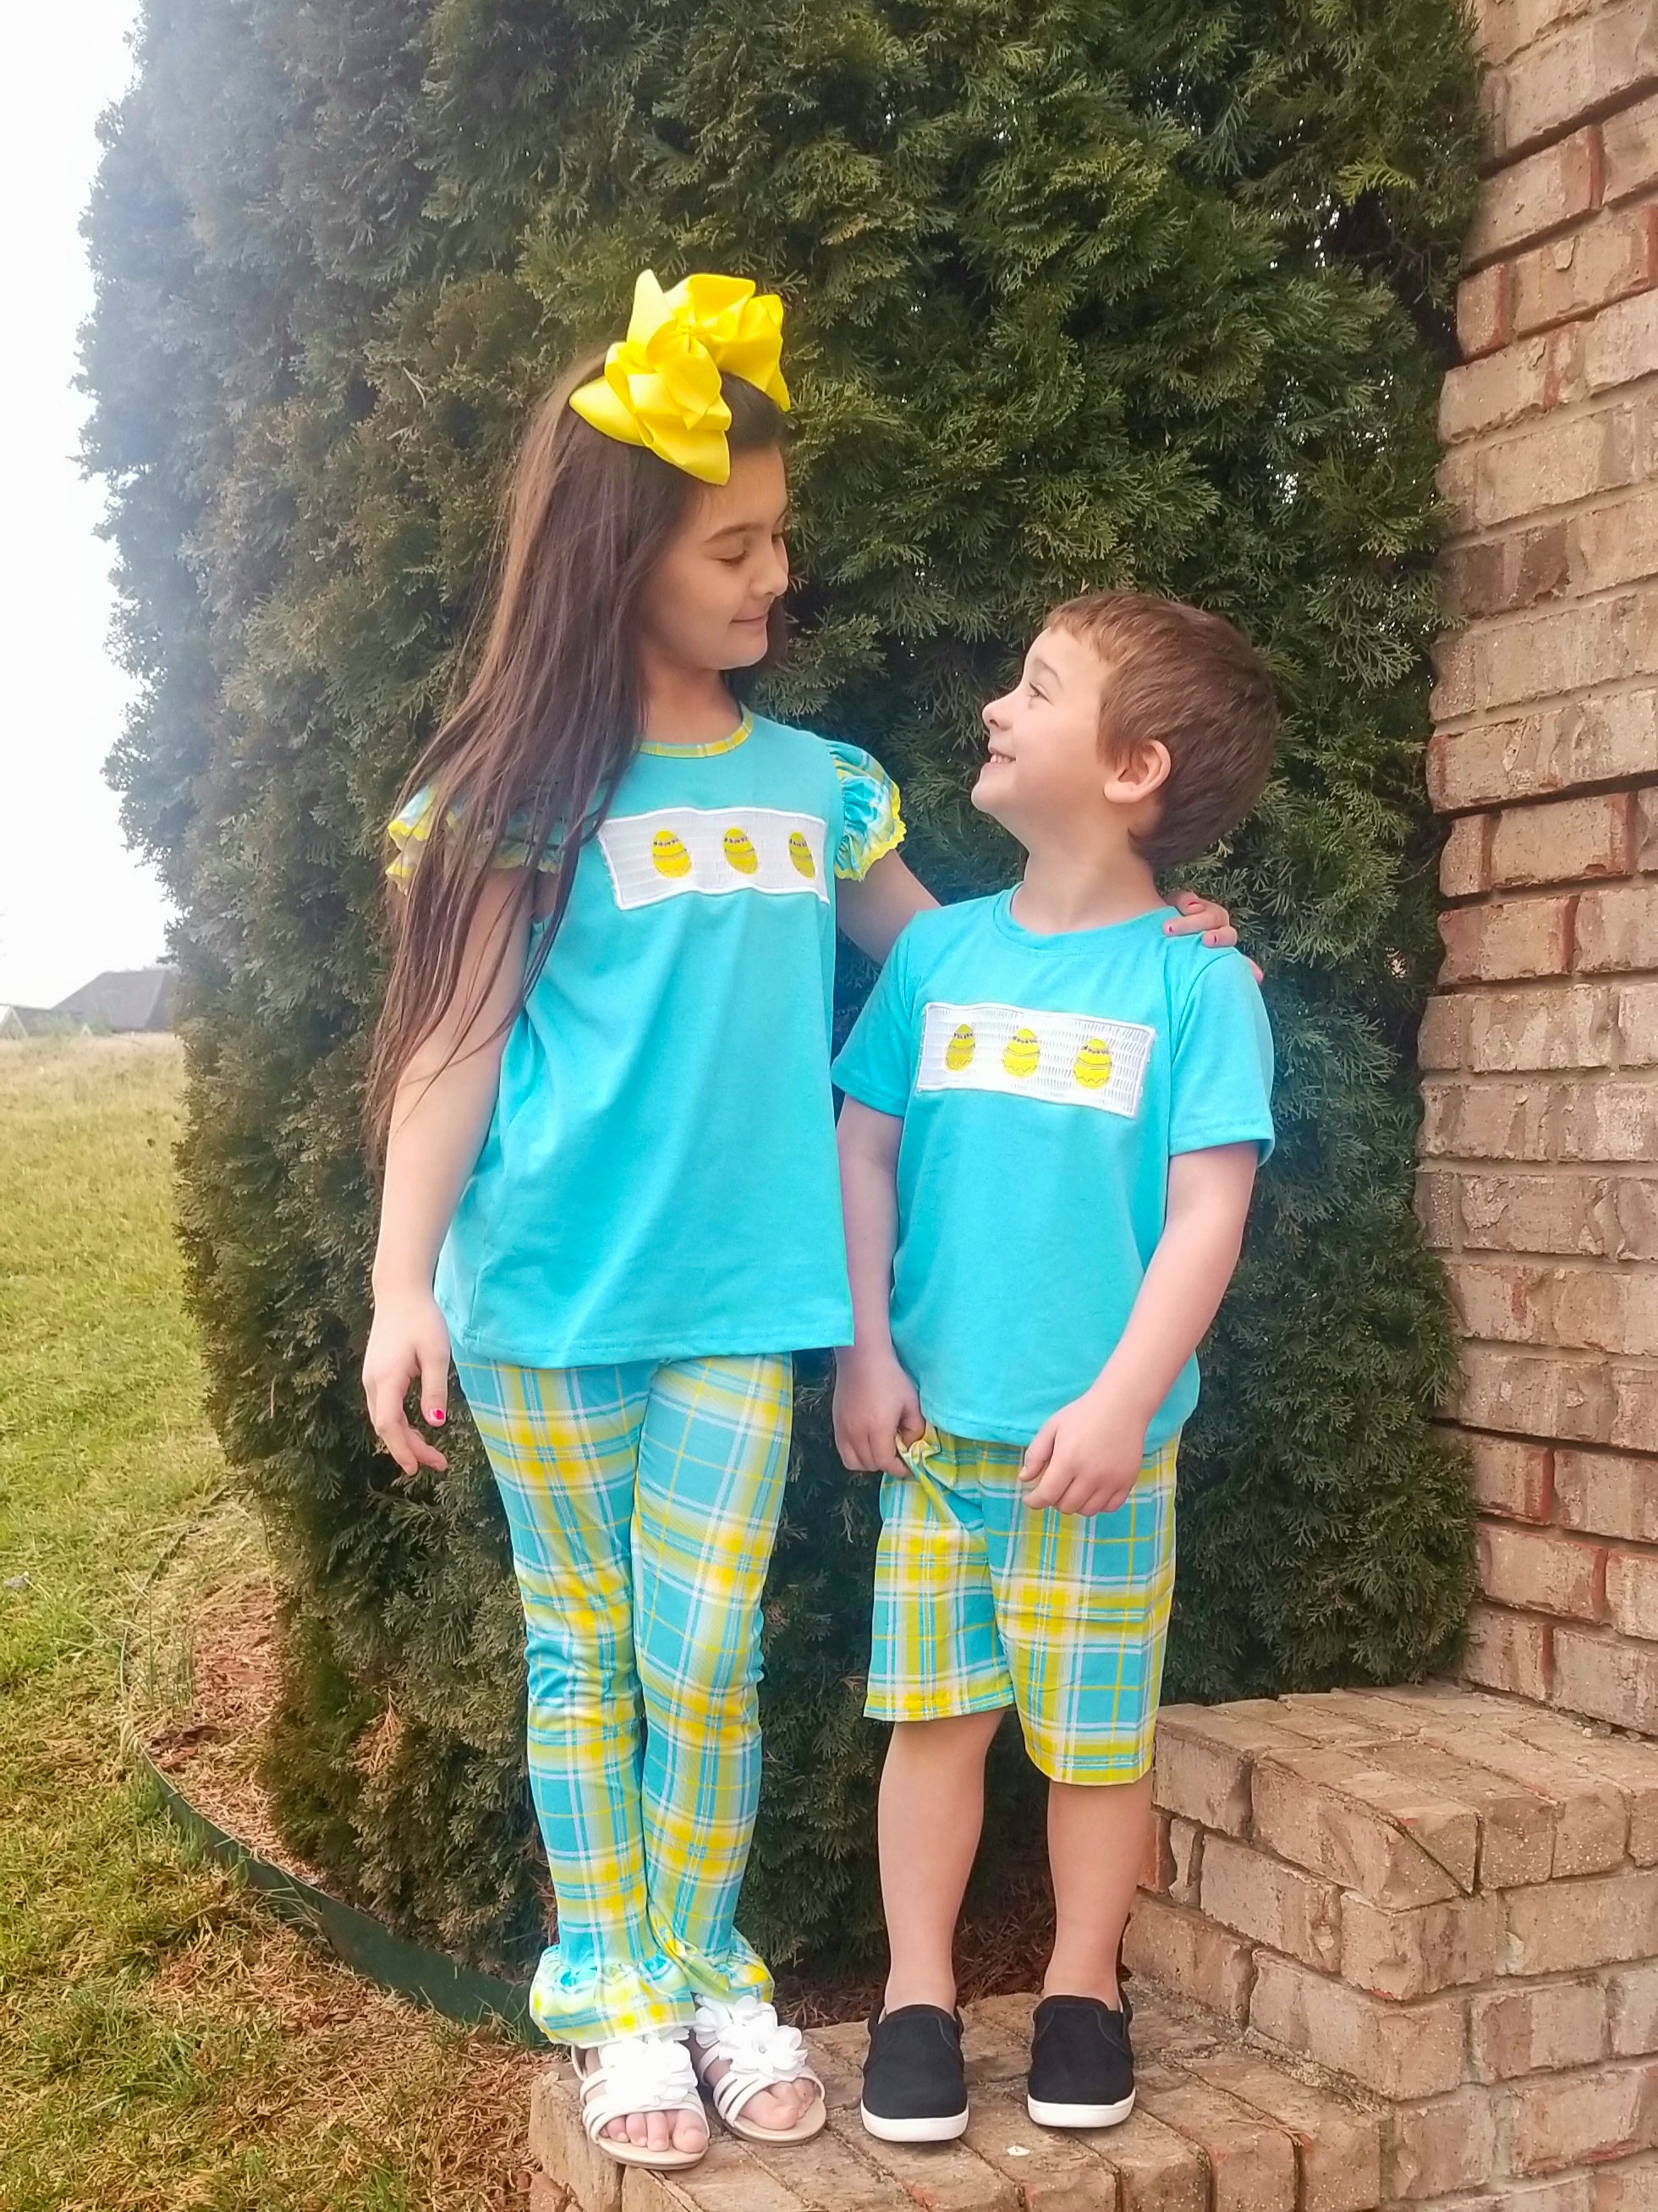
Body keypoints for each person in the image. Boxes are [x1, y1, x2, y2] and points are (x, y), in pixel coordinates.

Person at [360, 271, 1238, 2172]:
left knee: (708, 1657)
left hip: (748, 1304)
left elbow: (958, 969)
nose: (775, 576)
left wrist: (1142, 936)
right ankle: (614, 1994)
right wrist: (397, 1280)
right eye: (733, 546)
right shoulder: (516, 797)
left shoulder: (817, 792)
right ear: (618, 559)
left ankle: (706, 1965)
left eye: (777, 538)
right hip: (540, 1302)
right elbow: (453, 1043)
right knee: (583, 1654)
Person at [832, 590, 1277, 2143]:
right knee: (933, 1722)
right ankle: (917, 1997)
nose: (996, 710)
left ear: (1134, 767)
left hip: (1106, 1460)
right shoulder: (937, 955)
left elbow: (1209, 1212)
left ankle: (1086, 1988)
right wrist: (865, 1351)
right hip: (937, 1441)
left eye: (1037, 688)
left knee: (1096, 1741)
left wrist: (1121, 1402)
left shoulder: (1197, 984)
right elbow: (863, 1152)